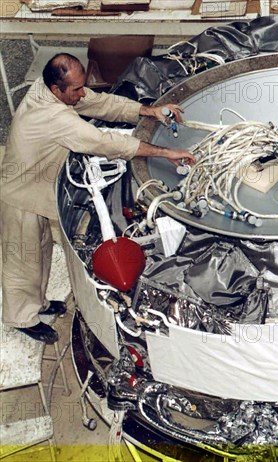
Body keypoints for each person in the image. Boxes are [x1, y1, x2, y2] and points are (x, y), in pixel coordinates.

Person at [0, 53, 195, 344]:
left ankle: (38, 305)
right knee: (22, 260)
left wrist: (149, 111)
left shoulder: (51, 91)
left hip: (37, 186)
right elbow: (105, 143)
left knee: (39, 252)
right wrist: (167, 153)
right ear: (57, 89)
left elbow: (100, 102)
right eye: (76, 89)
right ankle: (21, 319)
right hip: (19, 193)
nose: (82, 93)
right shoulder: (54, 117)